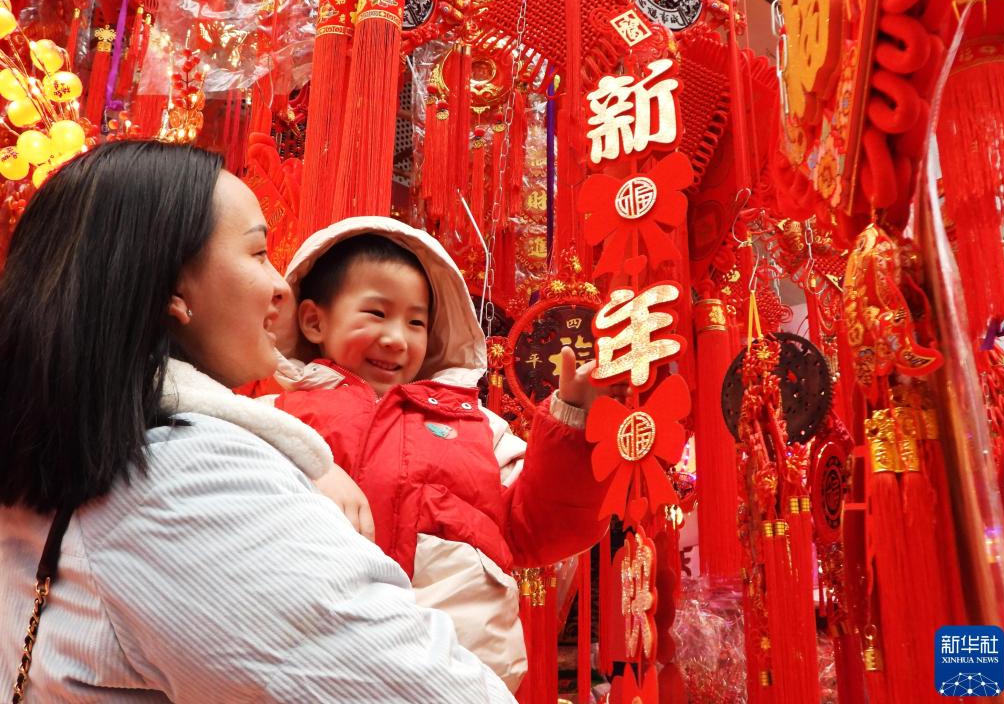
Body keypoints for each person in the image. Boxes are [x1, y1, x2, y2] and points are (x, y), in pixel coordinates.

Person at [0, 141, 515, 702]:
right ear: (175, 290)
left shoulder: (81, 453)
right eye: (258, 253)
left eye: (417, 322)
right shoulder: (191, 480)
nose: (280, 287)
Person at [273, 217, 609, 690]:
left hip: (460, 676)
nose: (397, 338)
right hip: (318, 672)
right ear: (313, 321)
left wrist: (574, 419)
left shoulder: (479, 428)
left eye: (416, 322)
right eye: (376, 313)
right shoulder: (277, 420)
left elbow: (541, 527)